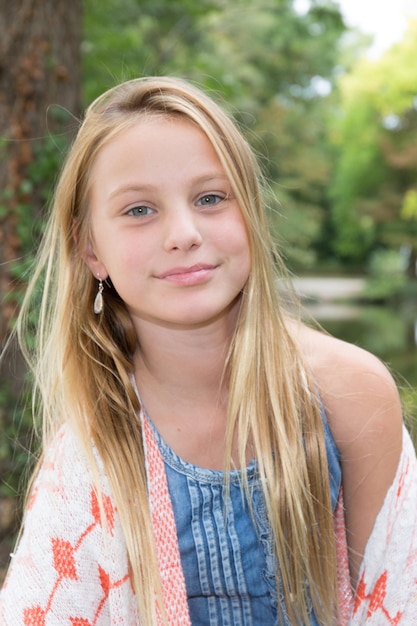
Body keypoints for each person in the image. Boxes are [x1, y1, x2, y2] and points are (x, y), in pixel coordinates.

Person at [0, 76, 416, 626]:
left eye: (211, 197)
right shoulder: (91, 445)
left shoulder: (348, 392)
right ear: (91, 249)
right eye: (139, 210)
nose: (184, 232)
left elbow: (395, 603)